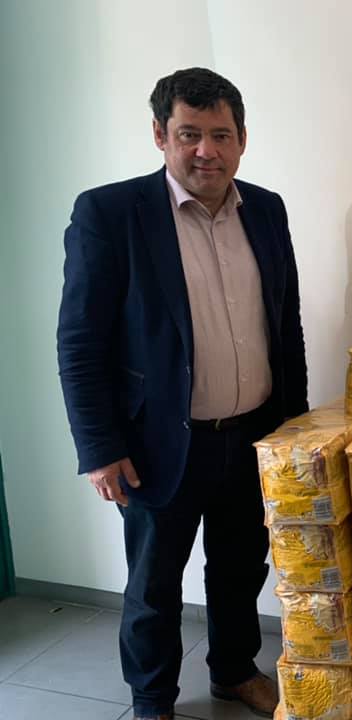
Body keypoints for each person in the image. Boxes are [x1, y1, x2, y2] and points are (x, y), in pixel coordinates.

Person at [56, 67, 308, 720]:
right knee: (155, 584)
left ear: (242, 139)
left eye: (220, 135)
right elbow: (80, 342)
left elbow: (285, 326)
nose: (206, 151)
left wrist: (295, 433)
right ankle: (153, 699)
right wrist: (99, 448)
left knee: (240, 568)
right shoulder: (111, 214)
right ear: (160, 136)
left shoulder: (267, 210)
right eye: (189, 134)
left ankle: (233, 670)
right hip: (156, 444)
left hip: (252, 436)